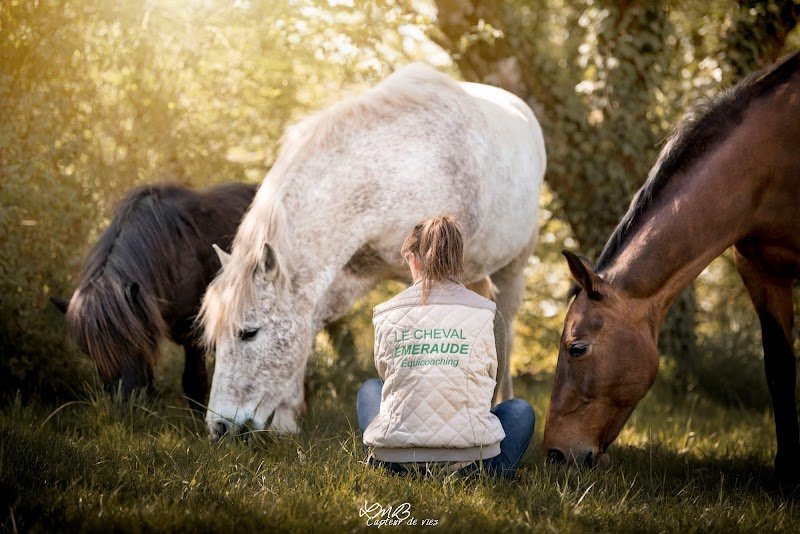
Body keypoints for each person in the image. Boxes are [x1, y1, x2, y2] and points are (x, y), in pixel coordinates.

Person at [356, 215, 535, 479]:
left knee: (370, 389)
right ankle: (486, 474)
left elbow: (391, 385)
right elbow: (489, 394)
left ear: (414, 260)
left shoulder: (386, 313)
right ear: (459, 260)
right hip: (473, 462)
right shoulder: (488, 313)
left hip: (396, 460)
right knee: (520, 410)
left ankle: (388, 465)